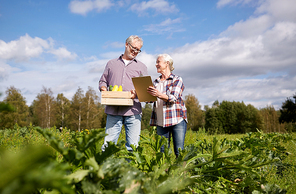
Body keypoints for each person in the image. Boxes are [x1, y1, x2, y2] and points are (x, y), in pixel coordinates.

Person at [99, 35, 148, 152]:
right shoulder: (111, 63)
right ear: (126, 44)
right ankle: (104, 169)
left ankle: (130, 170)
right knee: (108, 146)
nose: (135, 51)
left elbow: (146, 90)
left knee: (133, 147)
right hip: (113, 111)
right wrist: (103, 88)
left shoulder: (141, 67)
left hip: (133, 112)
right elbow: (103, 81)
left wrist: (137, 92)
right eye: (134, 48)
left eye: (138, 50)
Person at [147, 54, 187, 157]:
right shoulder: (155, 82)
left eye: (158, 62)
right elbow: (150, 100)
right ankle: (164, 173)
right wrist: (141, 94)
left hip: (176, 119)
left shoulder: (177, 79)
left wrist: (158, 94)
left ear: (167, 63)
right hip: (161, 122)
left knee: (179, 151)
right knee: (163, 152)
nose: (156, 64)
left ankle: (181, 172)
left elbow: (173, 98)